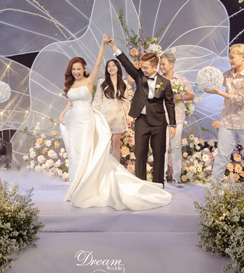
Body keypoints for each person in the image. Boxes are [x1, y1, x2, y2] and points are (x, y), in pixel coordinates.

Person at [58, 35, 171, 211]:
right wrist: (64, 113)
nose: (76, 71)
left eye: (79, 68)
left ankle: (154, 184)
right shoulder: (83, 83)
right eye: (73, 69)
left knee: (102, 149)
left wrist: (104, 45)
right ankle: (77, 185)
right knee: (77, 153)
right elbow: (76, 100)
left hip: (106, 119)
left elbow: (127, 98)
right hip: (80, 120)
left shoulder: (96, 80)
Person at [107, 39, 176, 185]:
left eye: (145, 67)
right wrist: (113, 46)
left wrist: (173, 125)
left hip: (159, 123)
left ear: (155, 67)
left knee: (159, 155)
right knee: (139, 153)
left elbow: (170, 105)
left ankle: (158, 187)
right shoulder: (139, 76)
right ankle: (141, 185)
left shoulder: (165, 83)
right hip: (142, 121)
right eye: (142, 67)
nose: (142, 69)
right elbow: (125, 63)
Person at [204, 44, 244, 189]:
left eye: (232, 57)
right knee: (221, 156)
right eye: (229, 57)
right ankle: (214, 190)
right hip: (228, 121)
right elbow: (215, 82)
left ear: (243, 57)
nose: (230, 60)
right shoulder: (228, 74)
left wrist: (220, 93)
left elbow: (241, 99)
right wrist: (209, 74)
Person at [159, 52, 194, 187]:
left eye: (163, 64)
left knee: (176, 146)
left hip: (177, 117)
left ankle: (177, 176)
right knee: (162, 147)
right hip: (161, 117)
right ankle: (161, 177)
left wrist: (180, 96)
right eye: (160, 64)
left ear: (171, 65)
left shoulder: (180, 79)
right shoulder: (158, 79)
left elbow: (191, 95)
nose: (161, 67)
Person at [92, 59, 132, 162]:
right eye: (109, 66)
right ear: (106, 69)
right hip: (104, 117)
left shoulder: (123, 83)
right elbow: (98, 100)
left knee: (116, 144)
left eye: (113, 65)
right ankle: (103, 167)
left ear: (118, 67)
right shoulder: (102, 82)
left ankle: (116, 168)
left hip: (118, 117)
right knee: (104, 144)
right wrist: (94, 114)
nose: (111, 68)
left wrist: (127, 117)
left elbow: (125, 102)